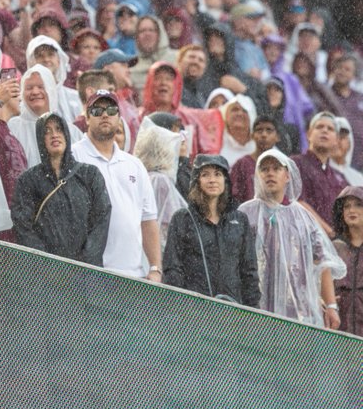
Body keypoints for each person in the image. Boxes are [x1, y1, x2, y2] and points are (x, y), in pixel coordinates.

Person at [238, 149, 346, 328]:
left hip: (297, 310)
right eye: (264, 169)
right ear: (257, 176)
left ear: (287, 175)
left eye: (276, 168)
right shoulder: (245, 213)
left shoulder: (303, 217)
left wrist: (331, 306)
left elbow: (322, 262)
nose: (270, 173)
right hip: (254, 308)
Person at [73, 89, 163, 281]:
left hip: (133, 275)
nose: (105, 115)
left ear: (119, 117)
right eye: (97, 110)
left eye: (111, 110)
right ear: (87, 118)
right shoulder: (74, 157)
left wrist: (155, 268)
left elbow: (148, 220)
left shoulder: (134, 165)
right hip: (89, 274)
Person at [11, 112, 111, 264]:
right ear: (40, 138)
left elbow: (101, 220)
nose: (54, 135)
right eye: (47, 131)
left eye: (59, 129)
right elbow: (23, 227)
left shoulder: (90, 175)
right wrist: (48, 264)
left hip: (85, 272)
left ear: (66, 134)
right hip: (44, 272)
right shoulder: (28, 181)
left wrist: (85, 263)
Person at [162, 154, 260, 306]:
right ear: (196, 180)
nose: (212, 180)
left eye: (218, 174)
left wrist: (252, 309)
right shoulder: (182, 219)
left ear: (225, 180)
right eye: (205, 175)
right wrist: (180, 306)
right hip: (193, 309)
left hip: (233, 309)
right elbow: (172, 268)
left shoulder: (240, 220)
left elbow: (249, 271)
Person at [133, 117, 189, 249]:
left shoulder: (140, 176)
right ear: (164, 150)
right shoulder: (161, 180)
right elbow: (171, 221)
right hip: (158, 248)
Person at [292, 111, 347, 228]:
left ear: (336, 140)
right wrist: (328, 233)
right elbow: (297, 202)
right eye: (319, 127)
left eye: (330, 129)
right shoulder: (295, 163)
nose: (324, 131)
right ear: (308, 134)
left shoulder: (339, 178)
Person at [331, 186, 363, 336]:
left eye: (358, 205)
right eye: (346, 206)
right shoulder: (333, 248)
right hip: (338, 332)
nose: (351, 210)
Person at [229, 114, 281, 206]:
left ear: (277, 137)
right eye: (259, 130)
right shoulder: (242, 164)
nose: (264, 135)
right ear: (252, 135)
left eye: (269, 130)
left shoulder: (283, 165)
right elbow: (234, 198)